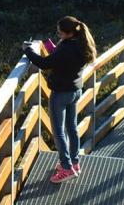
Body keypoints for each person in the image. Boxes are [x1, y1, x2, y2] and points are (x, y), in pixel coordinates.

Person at [22, 16, 97, 184]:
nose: (59, 36)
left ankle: (66, 168)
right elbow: (62, 59)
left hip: (60, 95)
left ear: (69, 33)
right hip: (75, 92)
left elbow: (44, 63)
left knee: (58, 132)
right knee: (72, 128)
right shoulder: (82, 45)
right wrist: (54, 49)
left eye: (61, 33)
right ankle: (74, 162)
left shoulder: (65, 49)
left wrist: (27, 50)